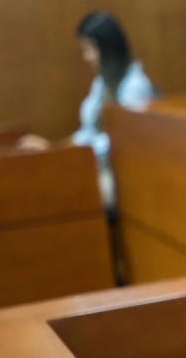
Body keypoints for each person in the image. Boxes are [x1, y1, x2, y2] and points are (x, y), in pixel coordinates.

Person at [20, 11, 155, 209]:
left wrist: (59, 152)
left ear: (108, 48)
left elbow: (120, 144)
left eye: (89, 49)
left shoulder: (135, 87)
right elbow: (88, 133)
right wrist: (52, 148)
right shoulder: (102, 83)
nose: (86, 57)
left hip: (126, 177)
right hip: (98, 170)